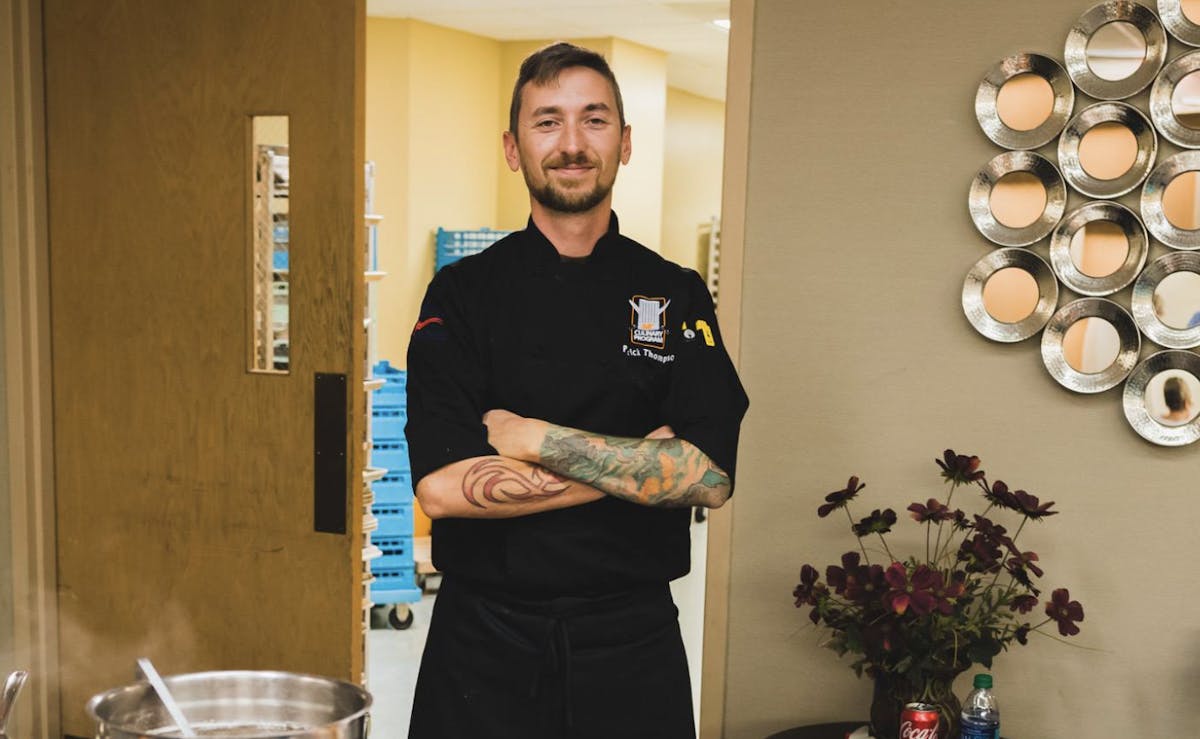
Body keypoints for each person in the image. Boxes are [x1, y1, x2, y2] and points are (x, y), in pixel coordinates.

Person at [403, 41, 749, 739]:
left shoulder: (675, 293)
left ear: (625, 143)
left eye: (594, 119)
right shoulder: (462, 295)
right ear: (513, 148)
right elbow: (441, 487)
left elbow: (709, 474)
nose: (571, 143)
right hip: (482, 644)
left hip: (633, 645)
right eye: (547, 121)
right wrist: (642, 465)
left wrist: (533, 439)